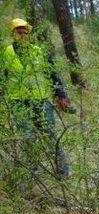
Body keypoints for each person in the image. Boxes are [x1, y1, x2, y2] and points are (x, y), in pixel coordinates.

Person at [0, 18, 71, 179]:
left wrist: (61, 95)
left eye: (26, 31)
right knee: (27, 139)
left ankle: (63, 172)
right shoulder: (5, 54)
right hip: (18, 103)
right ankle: (33, 173)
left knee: (52, 137)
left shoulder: (39, 52)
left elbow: (53, 75)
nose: (23, 34)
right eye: (19, 31)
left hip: (41, 101)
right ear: (13, 33)